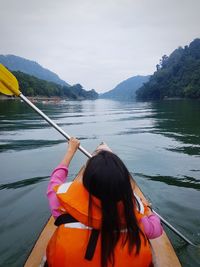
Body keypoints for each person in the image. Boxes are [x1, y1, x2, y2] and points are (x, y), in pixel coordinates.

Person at [46, 138, 163, 267]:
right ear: (123, 186)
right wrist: (145, 208)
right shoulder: (136, 218)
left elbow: (55, 182)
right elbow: (156, 230)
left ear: (85, 183)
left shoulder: (62, 207)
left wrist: (70, 151)